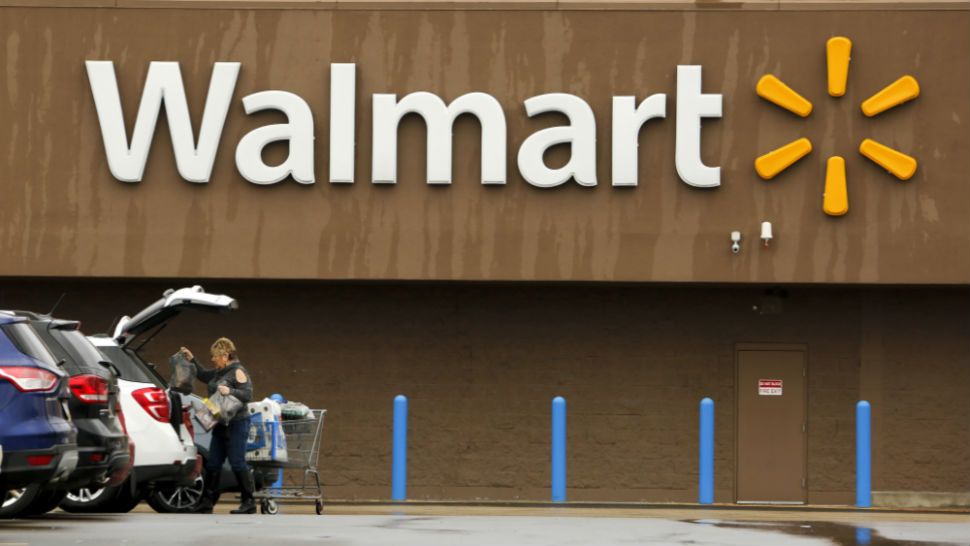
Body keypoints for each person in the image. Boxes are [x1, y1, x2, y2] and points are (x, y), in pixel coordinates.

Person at [180, 338, 256, 514]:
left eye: (215, 356)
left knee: (237, 462)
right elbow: (203, 375)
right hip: (220, 423)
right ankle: (206, 504)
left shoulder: (237, 371)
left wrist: (230, 391)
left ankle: (249, 502)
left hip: (237, 424)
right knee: (213, 463)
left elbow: (248, 394)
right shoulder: (219, 372)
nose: (213, 359)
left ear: (225, 355)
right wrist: (192, 359)